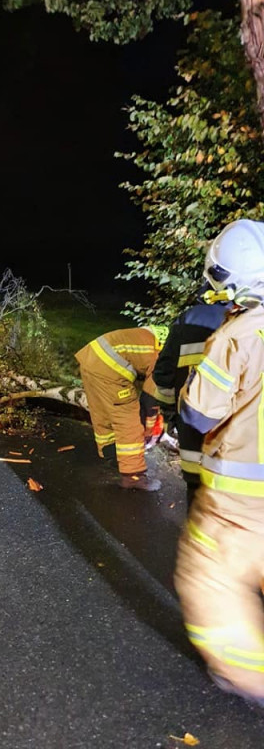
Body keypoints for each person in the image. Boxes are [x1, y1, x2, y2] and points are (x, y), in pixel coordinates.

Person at [175, 218, 264, 706]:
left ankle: (247, 674)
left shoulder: (239, 335)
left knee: (211, 576)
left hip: (241, 499)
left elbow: (199, 412)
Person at [153, 288, 230, 509]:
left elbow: (164, 374)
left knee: (196, 489)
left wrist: (170, 415)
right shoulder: (250, 320)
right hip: (237, 427)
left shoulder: (187, 318)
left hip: (191, 422)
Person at [75, 325, 169, 491]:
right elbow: (151, 395)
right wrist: (148, 425)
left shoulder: (167, 339)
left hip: (92, 357)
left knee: (103, 413)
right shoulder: (170, 356)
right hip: (110, 365)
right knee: (128, 420)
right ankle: (133, 476)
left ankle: (112, 452)